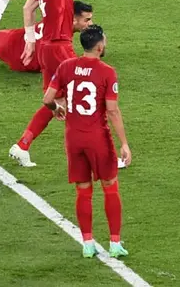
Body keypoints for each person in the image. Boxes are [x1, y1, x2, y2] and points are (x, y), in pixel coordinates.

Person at [41, 24, 130, 258]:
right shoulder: (107, 71)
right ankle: (114, 243)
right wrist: (124, 143)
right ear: (99, 46)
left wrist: (57, 109)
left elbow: (47, 98)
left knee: (83, 191)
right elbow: (112, 111)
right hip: (97, 137)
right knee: (110, 187)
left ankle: (88, 244)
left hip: (73, 138)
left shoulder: (66, 66)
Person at [9, 0, 82, 167]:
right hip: (60, 46)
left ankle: (23, 144)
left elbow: (28, 8)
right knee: (86, 91)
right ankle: (97, 152)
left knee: (55, 103)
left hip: (46, 48)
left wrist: (29, 42)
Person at [0, 1, 95, 72]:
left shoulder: (56, 19)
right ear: (74, 20)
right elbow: (72, 65)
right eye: (87, 20)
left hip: (13, 39)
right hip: (19, 57)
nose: (90, 23)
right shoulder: (61, 38)